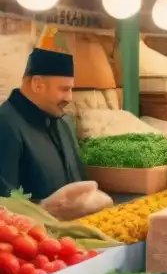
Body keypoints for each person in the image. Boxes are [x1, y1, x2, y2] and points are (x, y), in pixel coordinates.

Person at [0, 48, 113, 219]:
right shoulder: (5, 124)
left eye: (71, 89)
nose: (69, 97)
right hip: (36, 240)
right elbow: (5, 204)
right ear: (37, 84)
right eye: (64, 89)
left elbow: (79, 180)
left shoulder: (63, 121)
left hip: (76, 233)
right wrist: (45, 209)